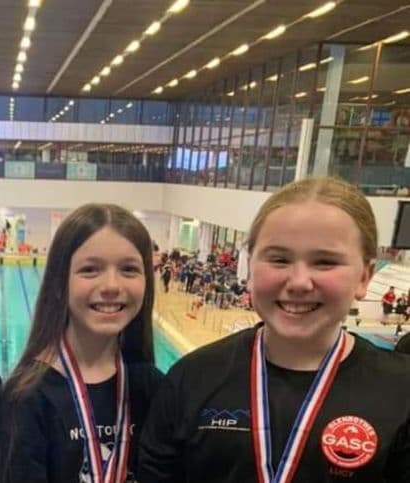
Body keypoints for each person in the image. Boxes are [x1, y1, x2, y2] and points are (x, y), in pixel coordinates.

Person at [137, 177, 410, 482]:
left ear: (364, 277)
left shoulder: (402, 392)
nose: (298, 281)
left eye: (324, 262)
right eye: (279, 259)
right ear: (251, 267)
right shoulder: (190, 379)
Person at [0, 203, 164, 483]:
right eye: (90, 269)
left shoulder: (153, 387)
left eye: (129, 269)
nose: (112, 285)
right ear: (58, 283)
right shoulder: (23, 399)